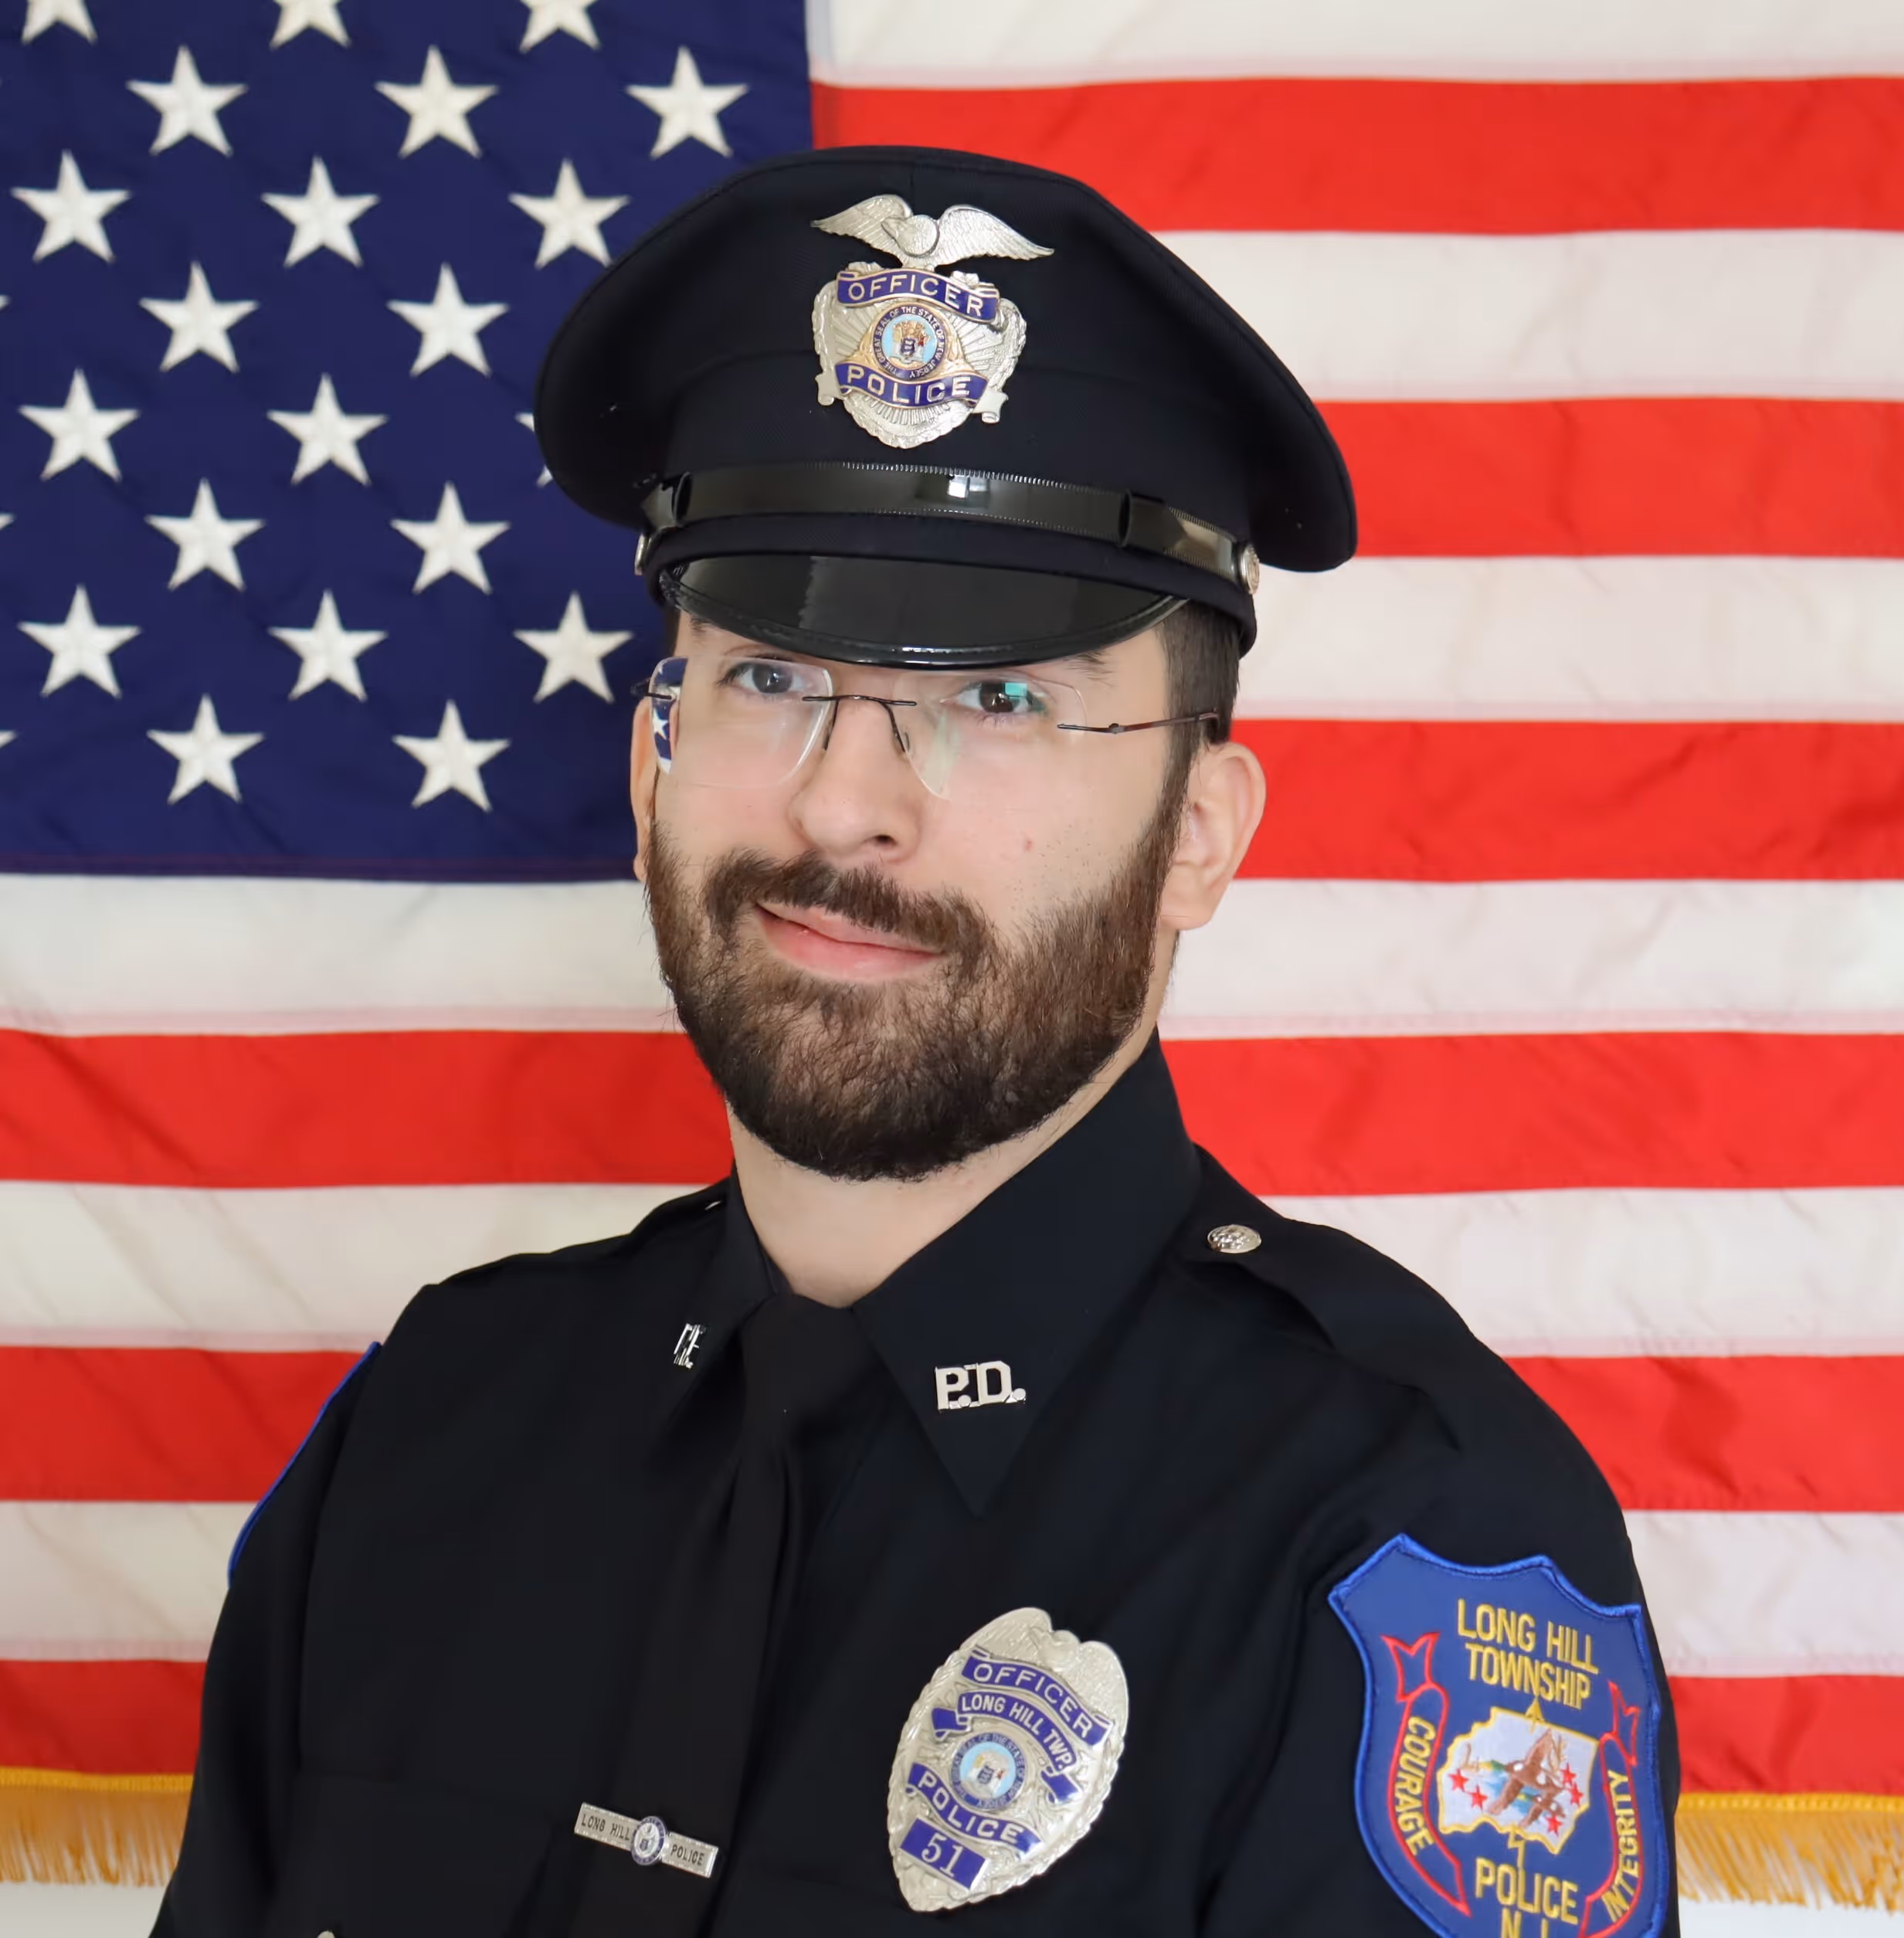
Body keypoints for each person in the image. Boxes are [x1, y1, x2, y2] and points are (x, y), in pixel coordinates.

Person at [155, 146, 1678, 1938]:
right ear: (653, 765)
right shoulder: (437, 1430)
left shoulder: (1392, 1543)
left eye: (1000, 699)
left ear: (1200, 834)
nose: (846, 805)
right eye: (771, 678)